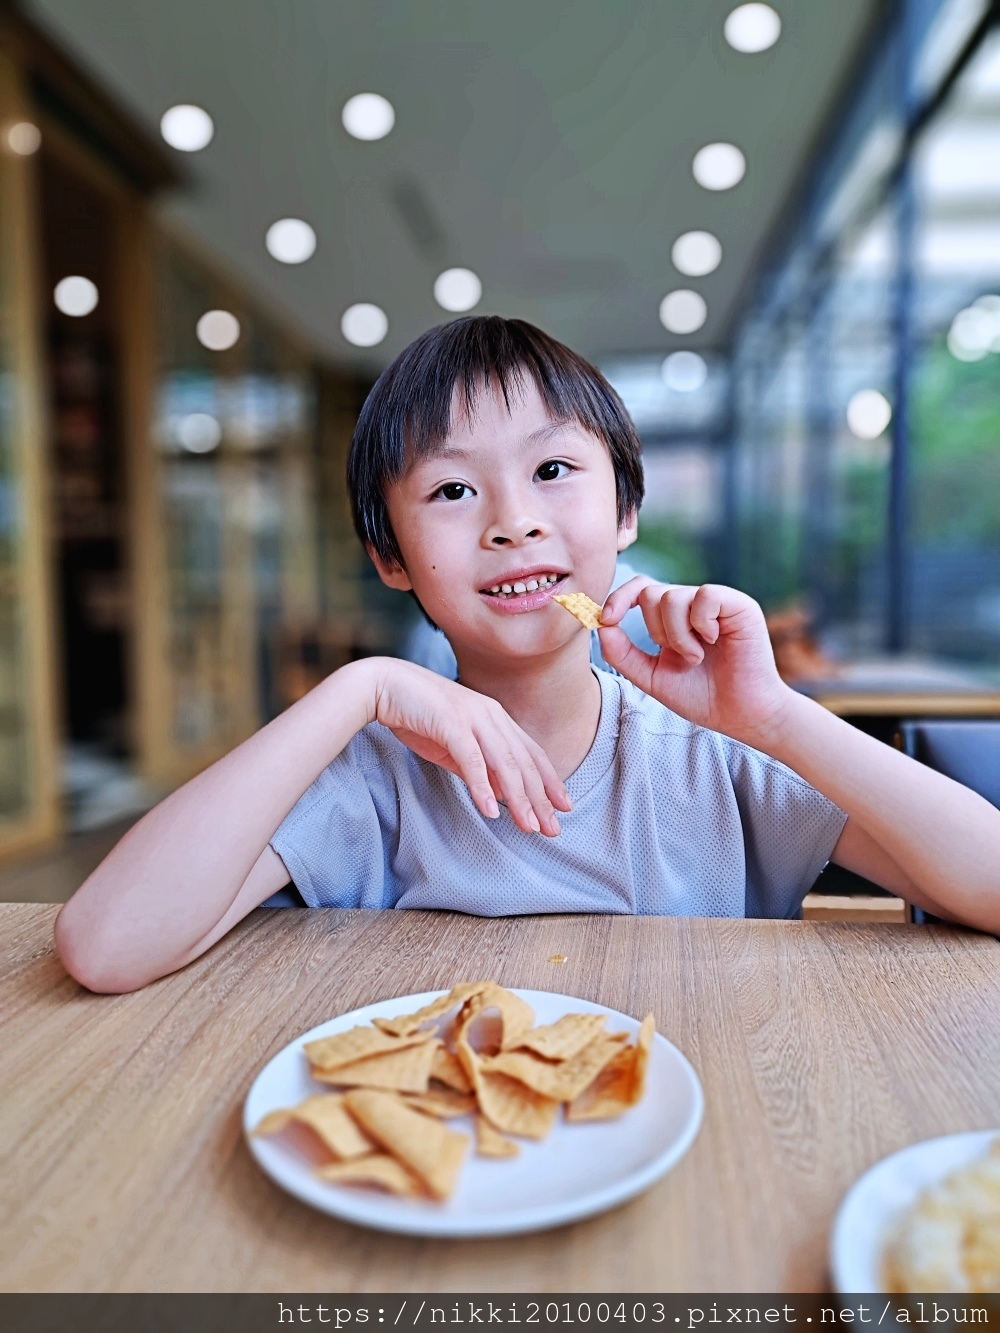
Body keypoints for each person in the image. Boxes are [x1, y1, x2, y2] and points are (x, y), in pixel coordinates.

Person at [55, 317, 1000, 993]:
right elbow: (106, 948)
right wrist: (361, 688)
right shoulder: (371, 780)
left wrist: (776, 717)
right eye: (454, 489)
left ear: (625, 509)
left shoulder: (715, 752)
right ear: (392, 557)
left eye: (553, 471)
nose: (514, 521)